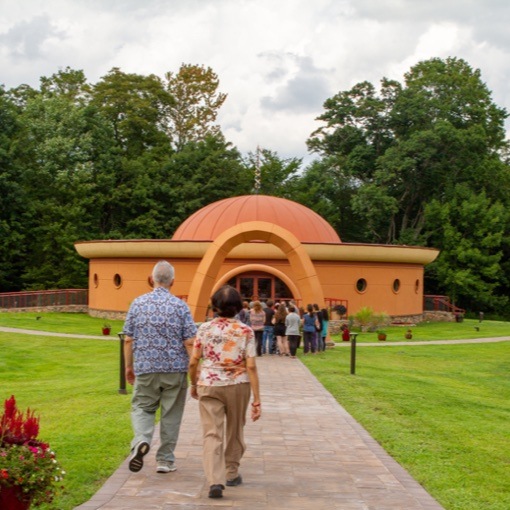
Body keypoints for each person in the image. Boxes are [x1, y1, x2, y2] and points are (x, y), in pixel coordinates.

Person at [123, 260, 197, 474]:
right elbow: (190, 342)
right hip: (175, 369)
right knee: (171, 415)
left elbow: (128, 339)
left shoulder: (137, 304)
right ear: (173, 281)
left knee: (143, 408)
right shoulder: (181, 306)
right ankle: (165, 460)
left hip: (145, 367)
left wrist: (129, 367)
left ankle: (141, 441)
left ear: (151, 279)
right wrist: (195, 371)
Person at [188, 286, 261, 499]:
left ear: (215, 306)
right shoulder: (246, 331)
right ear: (238, 307)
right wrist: (257, 399)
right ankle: (231, 472)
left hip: (209, 383)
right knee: (235, 429)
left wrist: (193, 383)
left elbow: (194, 361)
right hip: (238, 384)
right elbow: (252, 366)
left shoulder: (204, 329)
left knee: (212, 433)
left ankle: (214, 480)